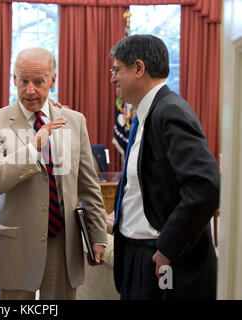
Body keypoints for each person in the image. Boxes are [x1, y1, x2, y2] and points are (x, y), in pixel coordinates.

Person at [0, 47, 108, 300]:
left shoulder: (75, 120)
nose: (30, 90)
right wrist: (33, 147)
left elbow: (88, 186)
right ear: (13, 78)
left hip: (63, 244)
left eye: (38, 82)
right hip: (15, 247)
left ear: (53, 80)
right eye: (23, 81)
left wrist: (98, 237)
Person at [109, 34, 220, 300]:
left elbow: (206, 185)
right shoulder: (145, 114)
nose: (113, 78)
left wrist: (168, 248)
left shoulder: (170, 112)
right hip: (137, 255)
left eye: (116, 70)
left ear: (138, 68)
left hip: (164, 261)